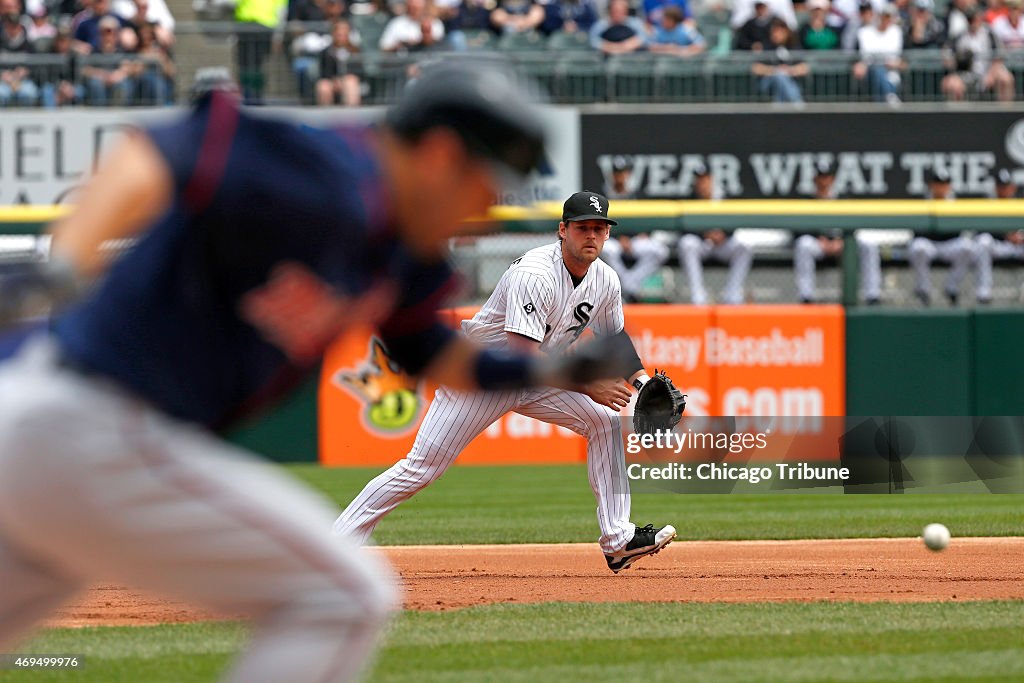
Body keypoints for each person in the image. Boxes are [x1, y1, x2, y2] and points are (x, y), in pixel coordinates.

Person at [0, 64, 622, 683]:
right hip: (92, 418)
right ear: (440, 155)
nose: (489, 212)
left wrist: (561, 367)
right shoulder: (328, 169)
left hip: (62, 436)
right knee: (341, 598)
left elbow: (436, 355)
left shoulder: (403, 252)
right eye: (489, 184)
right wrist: (64, 268)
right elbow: (155, 151)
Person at [334, 191, 677, 574]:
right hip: (482, 373)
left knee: (604, 420)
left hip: (538, 374)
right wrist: (589, 386)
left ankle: (618, 540)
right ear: (563, 230)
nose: (591, 235)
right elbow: (521, 359)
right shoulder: (534, 274)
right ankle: (334, 546)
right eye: (582, 228)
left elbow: (614, 338)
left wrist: (643, 381)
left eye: (599, 228)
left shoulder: (605, 279)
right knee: (420, 469)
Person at [793, 160, 883, 304]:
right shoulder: (807, 201)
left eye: (827, 177)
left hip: (843, 243)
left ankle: (872, 295)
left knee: (869, 245)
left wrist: (842, 240)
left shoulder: (843, 200)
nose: (824, 181)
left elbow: (855, 225)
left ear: (833, 179)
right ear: (815, 179)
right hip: (818, 245)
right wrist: (819, 240)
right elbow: (797, 229)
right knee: (803, 244)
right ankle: (806, 296)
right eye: (821, 177)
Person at [678, 164, 752, 305]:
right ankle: (698, 296)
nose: (702, 184)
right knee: (687, 243)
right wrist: (704, 233)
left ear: (711, 180)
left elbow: (735, 222)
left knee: (744, 247)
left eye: (705, 179)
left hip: (722, 244)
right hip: (702, 244)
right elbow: (683, 227)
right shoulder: (690, 198)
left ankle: (732, 294)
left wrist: (723, 234)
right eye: (699, 180)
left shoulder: (723, 197)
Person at [908, 167, 975, 305]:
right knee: (918, 247)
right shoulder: (923, 203)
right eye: (938, 183)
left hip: (949, 244)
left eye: (944, 184)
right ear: (931, 185)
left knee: (968, 247)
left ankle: (951, 286)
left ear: (949, 186)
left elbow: (961, 231)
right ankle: (923, 289)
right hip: (928, 244)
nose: (941, 187)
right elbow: (915, 232)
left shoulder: (955, 204)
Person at [942, 6, 1014, 101]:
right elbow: (946, 55)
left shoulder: (990, 34)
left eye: (974, 18)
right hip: (966, 74)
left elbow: (999, 55)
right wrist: (957, 61)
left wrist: (991, 74)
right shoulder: (960, 36)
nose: (972, 21)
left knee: (1005, 79)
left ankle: (1006, 113)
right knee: (951, 84)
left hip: (988, 71)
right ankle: (958, 115)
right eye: (969, 19)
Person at [974, 169, 1024, 303]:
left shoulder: (1020, 204)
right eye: (1001, 186)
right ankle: (984, 293)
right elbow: (979, 231)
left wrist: (1020, 236)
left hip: (1019, 247)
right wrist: (1005, 236)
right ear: (996, 187)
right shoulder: (989, 205)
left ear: (1012, 187)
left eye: (1006, 186)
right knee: (983, 242)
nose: (1004, 190)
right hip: (999, 247)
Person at [853, 4, 904, 105]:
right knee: (877, 70)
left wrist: (898, 63)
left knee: (882, 73)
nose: (885, 19)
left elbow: (901, 59)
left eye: (889, 16)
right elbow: (863, 57)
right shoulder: (864, 32)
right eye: (884, 16)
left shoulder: (896, 32)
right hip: (869, 72)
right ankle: (889, 96)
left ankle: (886, 98)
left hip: (892, 73)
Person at [752, 18, 807, 102]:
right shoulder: (767, 47)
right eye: (773, 32)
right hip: (768, 83)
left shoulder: (793, 47)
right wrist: (775, 70)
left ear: (786, 32)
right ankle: (798, 106)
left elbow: (804, 68)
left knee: (782, 79)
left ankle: (779, 109)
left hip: (790, 81)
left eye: (778, 32)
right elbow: (756, 68)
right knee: (779, 76)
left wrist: (789, 70)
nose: (775, 35)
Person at [316, 18, 362, 106]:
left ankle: (351, 115)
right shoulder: (326, 52)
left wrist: (343, 80)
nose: (340, 36)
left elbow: (359, 71)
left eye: (344, 33)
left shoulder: (356, 51)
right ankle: (325, 115)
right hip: (331, 81)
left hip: (348, 80)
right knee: (323, 86)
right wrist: (334, 80)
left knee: (350, 82)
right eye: (338, 33)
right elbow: (323, 72)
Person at [379, 0, 444, 52]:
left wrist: (421, 40)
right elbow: (384, 47)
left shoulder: (435, 23)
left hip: (429, 63)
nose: (415, 11)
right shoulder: (397, 23)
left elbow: (436, 44)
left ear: (424, 8)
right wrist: (400, 45)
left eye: (417, 8)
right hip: (401, 63)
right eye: (412, 7)